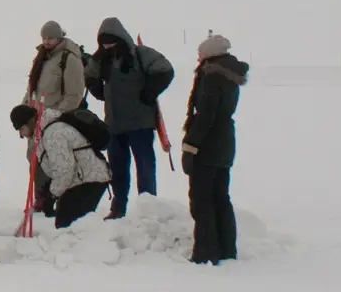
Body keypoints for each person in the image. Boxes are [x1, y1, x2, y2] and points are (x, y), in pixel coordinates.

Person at [84, 17, 174, 219]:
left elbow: (165, 70)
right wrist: (97, 88)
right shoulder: (101, 58)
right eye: (104, 42)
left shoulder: (140, 54)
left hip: (140, 123)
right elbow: (89, 74)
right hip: (114, 124)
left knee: (144, 166)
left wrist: (148, 93)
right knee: (117, 168)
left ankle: (148, 208)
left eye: (111, 41)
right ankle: (118, 207)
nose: (107, 46)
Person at [181, 34, 249, 265]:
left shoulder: (211, 76)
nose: (198, 60)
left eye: (200, 55)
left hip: (208, 145)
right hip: (225, 142)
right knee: (221, 196)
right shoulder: (230, 74)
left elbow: (206, 116)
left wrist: (191, 146)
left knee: (202, 200)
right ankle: (226, 248)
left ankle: (205, 252)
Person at [10, 104, 111, 229]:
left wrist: (51, 195)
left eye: (21, 129)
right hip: (82, 180)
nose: (21, 134)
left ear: (30, 121)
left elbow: (64, 170)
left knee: (70, 227)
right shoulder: (45, 132)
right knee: (68, 225)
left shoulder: (53, 134)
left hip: (90, 180)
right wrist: (50, 189)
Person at [23, 20, 86, 217]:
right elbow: (32, 90)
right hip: (36, 121)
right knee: (35, 160)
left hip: (56, 123)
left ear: (59, 37)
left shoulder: (69, 58)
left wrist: (53, 117)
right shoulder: (41, 58)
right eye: (44, 38)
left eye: (50, 38)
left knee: (56, 163)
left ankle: (56, 203)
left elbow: (74, 95)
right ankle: (40, 201)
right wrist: (24, 114)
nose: (46, 41)